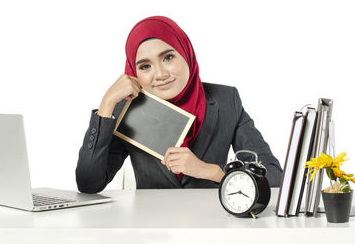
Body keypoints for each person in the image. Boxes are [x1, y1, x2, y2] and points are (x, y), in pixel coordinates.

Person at [76, 16, 282, 193]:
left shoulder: (226, 100)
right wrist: (106, 105)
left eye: (168, 57)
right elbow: (89, 184)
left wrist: (209, 171)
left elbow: (274, 177)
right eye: (145, 66)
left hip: (214, 226)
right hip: (154, 232)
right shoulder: (128, 110)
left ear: (186, 53)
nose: (160, 74)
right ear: (134, 72)